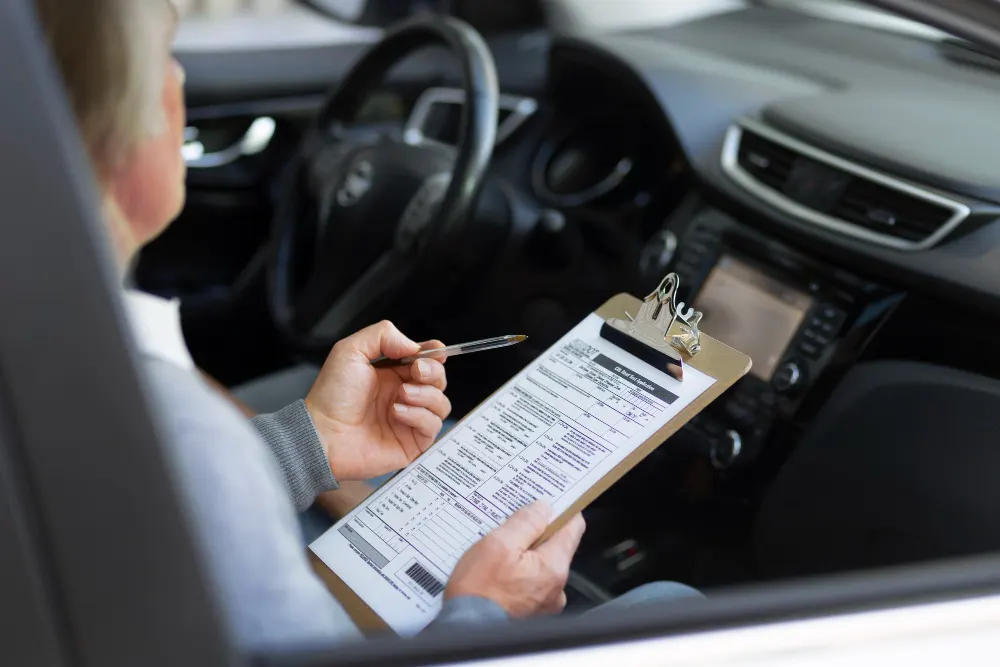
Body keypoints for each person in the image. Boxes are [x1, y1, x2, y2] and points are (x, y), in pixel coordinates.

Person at [33, 0, 700, 652]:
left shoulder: (53, 364)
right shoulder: (180, 432)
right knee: (678, 609)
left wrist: (308, 443)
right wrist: (485, 613)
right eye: (162, 64)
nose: (176, 82)